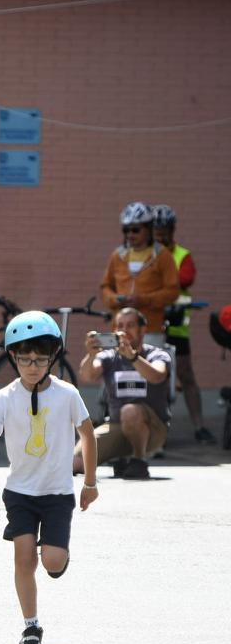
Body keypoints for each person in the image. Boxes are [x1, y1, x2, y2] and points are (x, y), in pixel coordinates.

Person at [0, 311, 98, 644]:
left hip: (57, 493)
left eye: (40, 359)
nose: (32, 366)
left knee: (53, 563)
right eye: (24, 358)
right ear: (12, 357)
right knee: (23, 558)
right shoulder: (5, 397)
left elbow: (87, 434)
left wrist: (90, 482)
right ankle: (31, 627)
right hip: (20, 494)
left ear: (52, 357)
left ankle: (58, 554)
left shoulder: (67, 394)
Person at [73, 308, 170, 480]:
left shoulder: (156, 354)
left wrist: (133, 357)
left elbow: (157, 375)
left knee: (130, 411)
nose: (124, 330)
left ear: (143, 329)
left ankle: (139, 461)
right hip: (117, 426)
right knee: (77, 463)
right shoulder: (109, 356)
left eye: (131, 325)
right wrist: (90, 354)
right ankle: (124, 459)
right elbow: (88, 375)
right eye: (120, 325)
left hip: (153, 429)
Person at [153, 204, 215, 444]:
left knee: (187, 375)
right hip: (152, 325)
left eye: (165, 229)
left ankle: (199, 426)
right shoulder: (146, 254)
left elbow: (186, 279)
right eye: (157, 230)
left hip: (177, 325)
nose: (161, 234)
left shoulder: (182, 255)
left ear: (172, 230)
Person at [99, 202, 179, 347]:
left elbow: (172, 291)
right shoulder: (118, 255)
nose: (130, 234)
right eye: (126, 230)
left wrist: (144, 300)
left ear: (148, 229)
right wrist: (115, 299)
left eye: (135, 230)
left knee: (147, 369)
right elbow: (105, 287)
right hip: (119, 330)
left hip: (150, 331)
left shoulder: (162, 255)